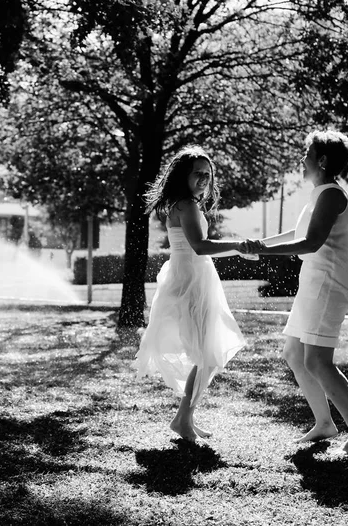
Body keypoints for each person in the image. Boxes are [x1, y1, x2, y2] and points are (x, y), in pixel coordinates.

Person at [249, 130, 348, 455]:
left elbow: (310, 242)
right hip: (314, 281)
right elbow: (297, 232)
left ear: (321, 160)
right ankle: (325, 423)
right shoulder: (319, 193)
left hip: (328, 284)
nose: (302, 159)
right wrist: (259, 245)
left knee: (318, 361)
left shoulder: (331, 194)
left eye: (307, 153)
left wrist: (261, 253)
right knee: (294, 353)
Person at [134, 145, 250, 442]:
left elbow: (200, 247)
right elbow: (200, 246)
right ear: (183, 176)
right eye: (197, 173)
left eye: (208, 175)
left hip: (195, 276)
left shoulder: (185, 204)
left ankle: (184, 418)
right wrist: (239, 245)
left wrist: (238, 248)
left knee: (206, 353)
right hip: (190, 281)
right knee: (206, 353)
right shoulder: (185, 205)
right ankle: (183, 418)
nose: (203, 179)